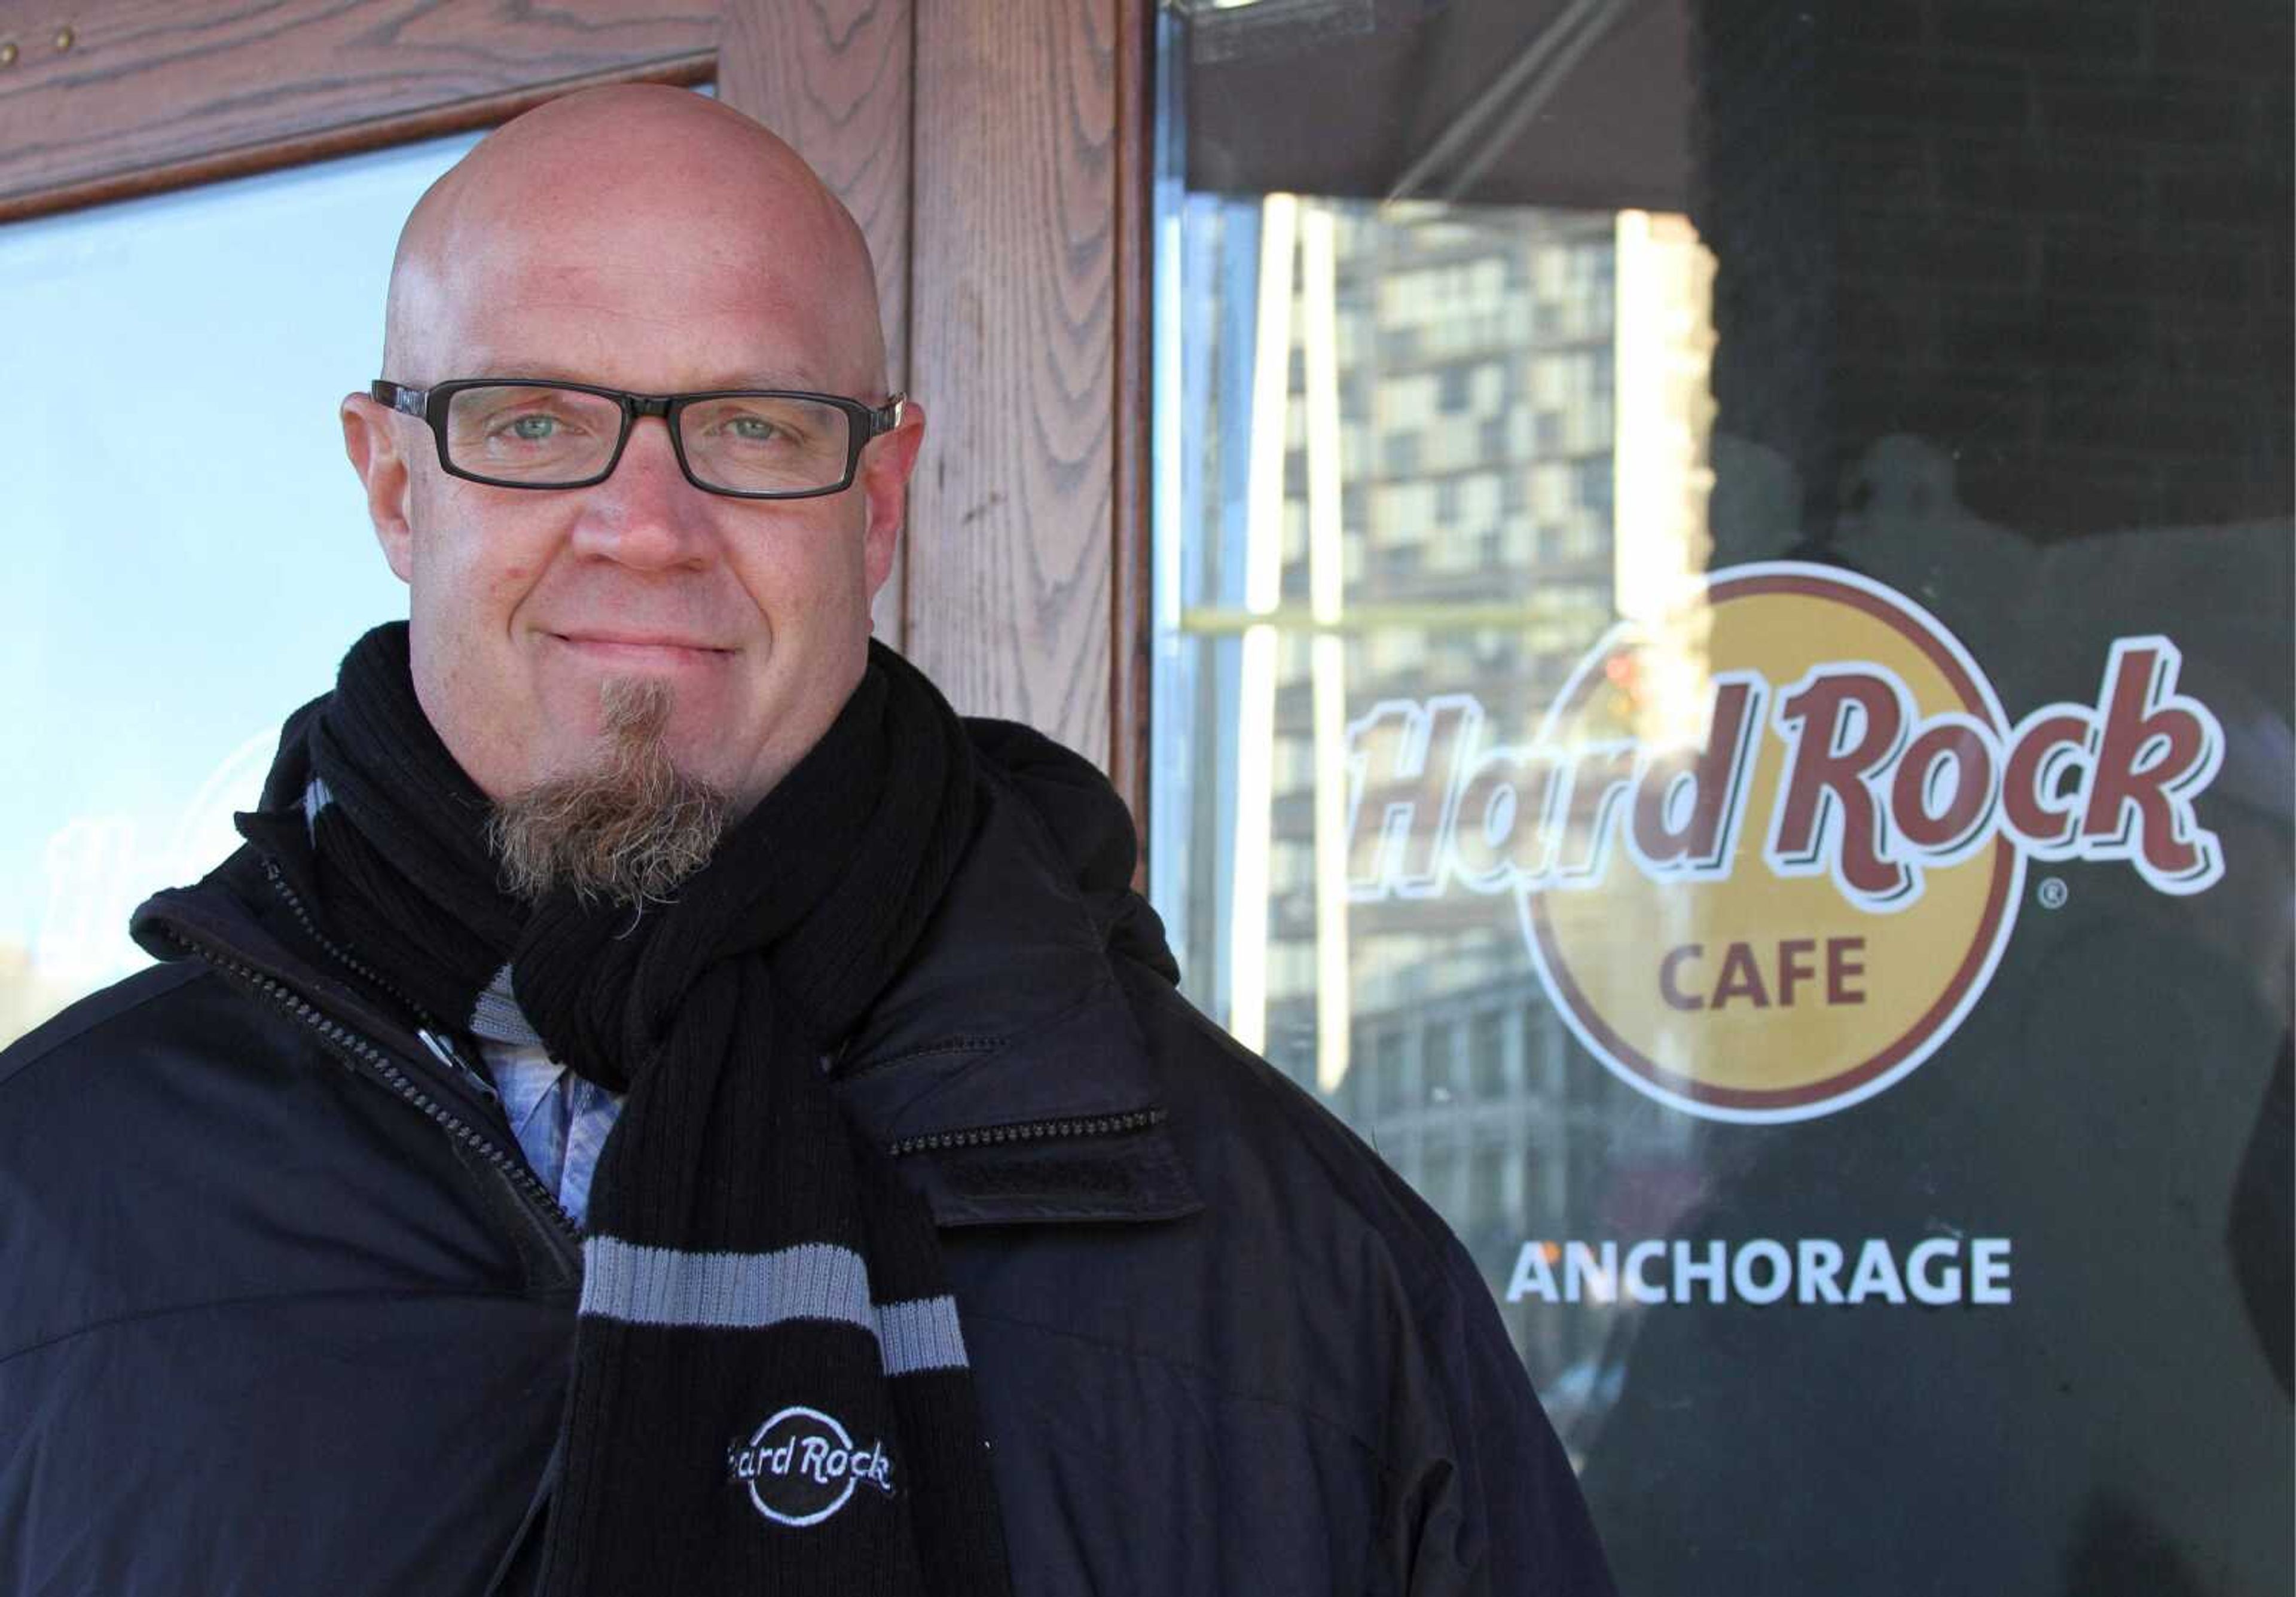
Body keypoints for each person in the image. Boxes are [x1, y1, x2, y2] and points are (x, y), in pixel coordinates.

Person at [0, 85, 1614, 1596]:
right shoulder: (51, 1198)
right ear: (392, 484)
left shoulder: (1294, 1270)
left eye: (757, 428)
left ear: (881, 498)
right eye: (535, 422)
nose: (644, 524)